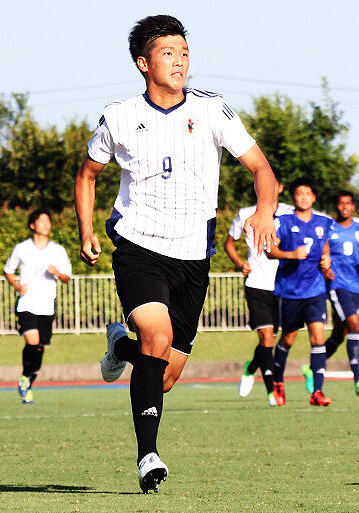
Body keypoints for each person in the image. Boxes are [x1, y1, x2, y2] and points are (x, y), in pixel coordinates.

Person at [73, 15, 277, 493]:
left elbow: (261, 169)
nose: (180, 61)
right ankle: (148, 457)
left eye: (184, 53)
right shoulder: (119, 116)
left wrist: (265, 209)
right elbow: (87, 176)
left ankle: (120, 347)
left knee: (162, 375)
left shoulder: (213, 109)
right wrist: (86, 229)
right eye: (168, 53)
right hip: (139, 246)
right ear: (143, 63)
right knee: (156, 335)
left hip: (193, 257)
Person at [224, 169, 293, 406]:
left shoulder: (290, 214)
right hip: (256, 283)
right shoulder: (245, 214)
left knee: (270, 340)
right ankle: (272, 392)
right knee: (265, 337)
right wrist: (239, 263)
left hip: (283, 285)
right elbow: (229, 243)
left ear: (280, 188)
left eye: (273, 184)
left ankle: (250, 367)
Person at [266, 177, 334, 407]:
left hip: (315, 290)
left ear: (314, 197)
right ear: (294, 197)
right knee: (288, 338)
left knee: (318, 337)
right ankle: (278, 382)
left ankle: (318, 391)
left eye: (308, 193)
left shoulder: (324, 222)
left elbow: (326, 247)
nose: (303, 197)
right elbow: (270, 250)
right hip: (290, 291)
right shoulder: (282, 222)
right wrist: (291, 254)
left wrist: (326, 260)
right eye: (299, 193)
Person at [303, 191, 359, 396]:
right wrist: (325, 267)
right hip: (337, 285)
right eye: (341, 203)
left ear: (353, 206)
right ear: (336, 206)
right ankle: (358, 380)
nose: (344, 207)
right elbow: (320, 252)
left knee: (340, 333)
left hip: (356, 285)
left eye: (348, 203)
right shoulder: (328, 227)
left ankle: (312, 368)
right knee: (355, 324)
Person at [3, 208, 72, 405]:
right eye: (41, 221)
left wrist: (57, 272)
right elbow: (8, 270)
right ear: (32, 225)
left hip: (47, 305)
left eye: (48, 221)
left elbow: (67, 277)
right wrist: (17, 286)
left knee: (40, 347)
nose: (46, 224)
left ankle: (27, 380)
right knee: (32, 342)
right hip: (27, 303)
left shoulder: (57, 250)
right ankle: (26, 378)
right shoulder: (21, 248)